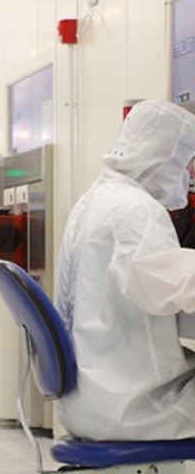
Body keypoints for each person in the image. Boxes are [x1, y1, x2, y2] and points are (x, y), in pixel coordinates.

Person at [55, 98, 195, 440]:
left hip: (89, 395)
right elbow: (168, 286)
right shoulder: (136, 210)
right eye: (188, 162)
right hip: (132, 406)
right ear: (165, 155)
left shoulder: (96, 200)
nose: (189, 174)